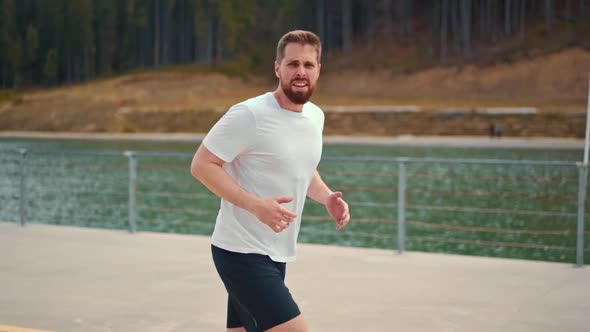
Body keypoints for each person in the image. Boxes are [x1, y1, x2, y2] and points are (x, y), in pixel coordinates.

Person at [190, 30, 350, 332]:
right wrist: (255, 206)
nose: (300, 72)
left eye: (308, 64)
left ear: (319, 69)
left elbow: (301, 168)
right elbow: (202, 165)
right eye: (292, 64)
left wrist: (327, 196)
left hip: (276, 251)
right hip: (240, 252)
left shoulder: (315, 117)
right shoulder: (249, 115)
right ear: (277, 68)